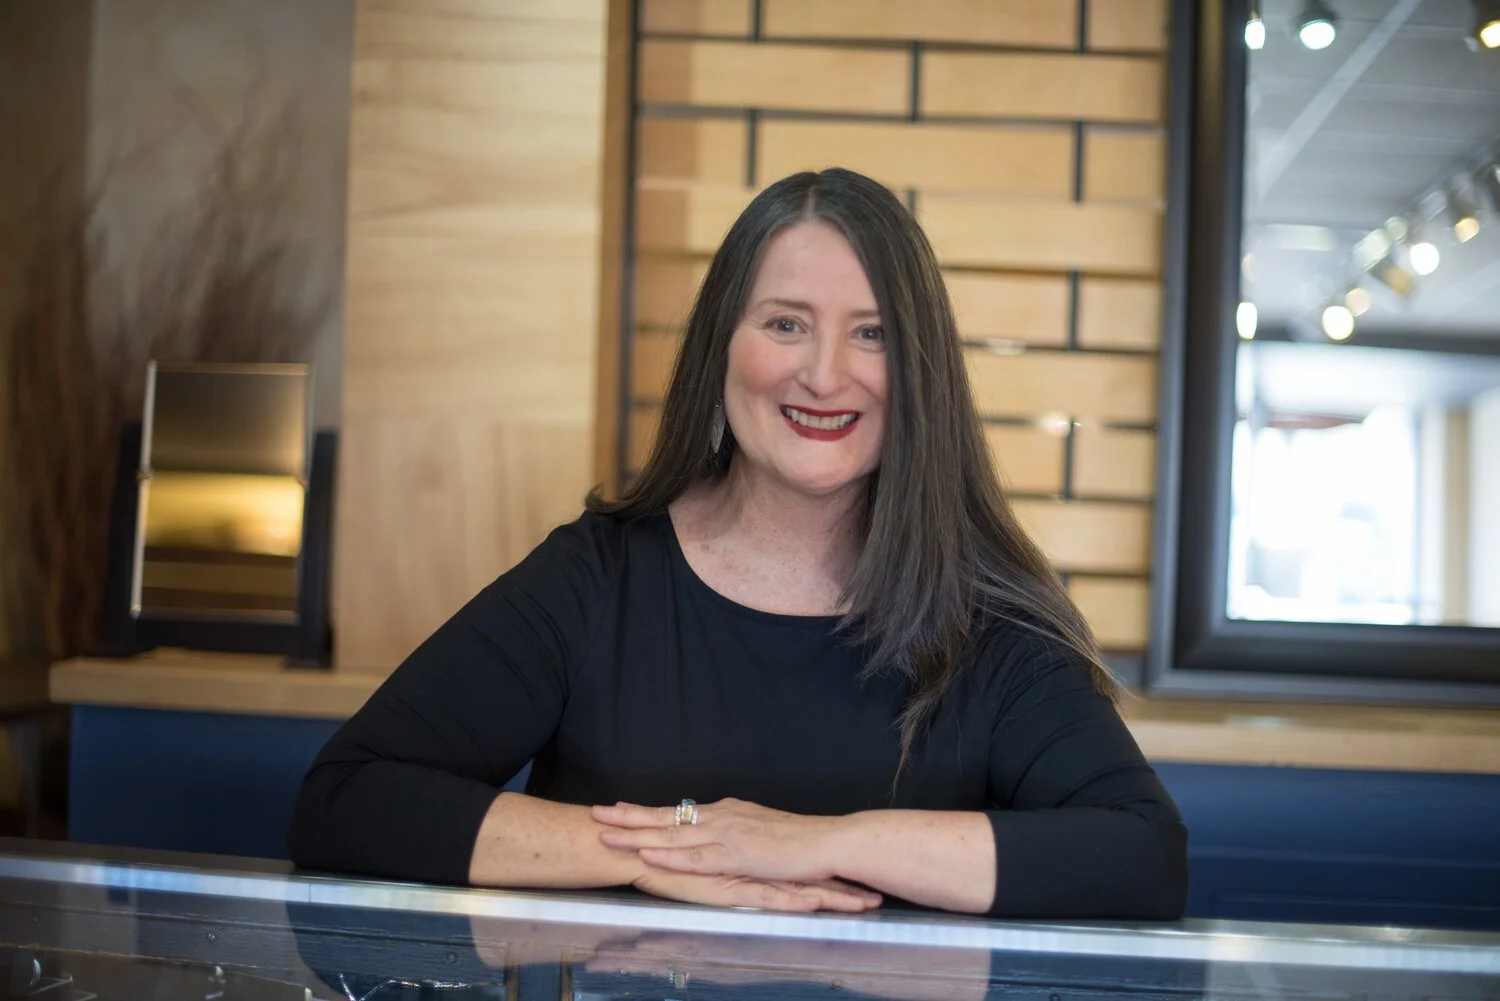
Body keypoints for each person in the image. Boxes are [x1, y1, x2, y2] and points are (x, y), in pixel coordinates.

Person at [289, 168, 1189, 920]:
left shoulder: (986, 620)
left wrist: (816, 844)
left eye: (871, 333)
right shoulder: (601, 575)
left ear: (920, 373)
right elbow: (347, 801)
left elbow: (1142, 855)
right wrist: (657, 853)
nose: (824, 373)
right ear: (723, 348)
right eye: (786, 323)